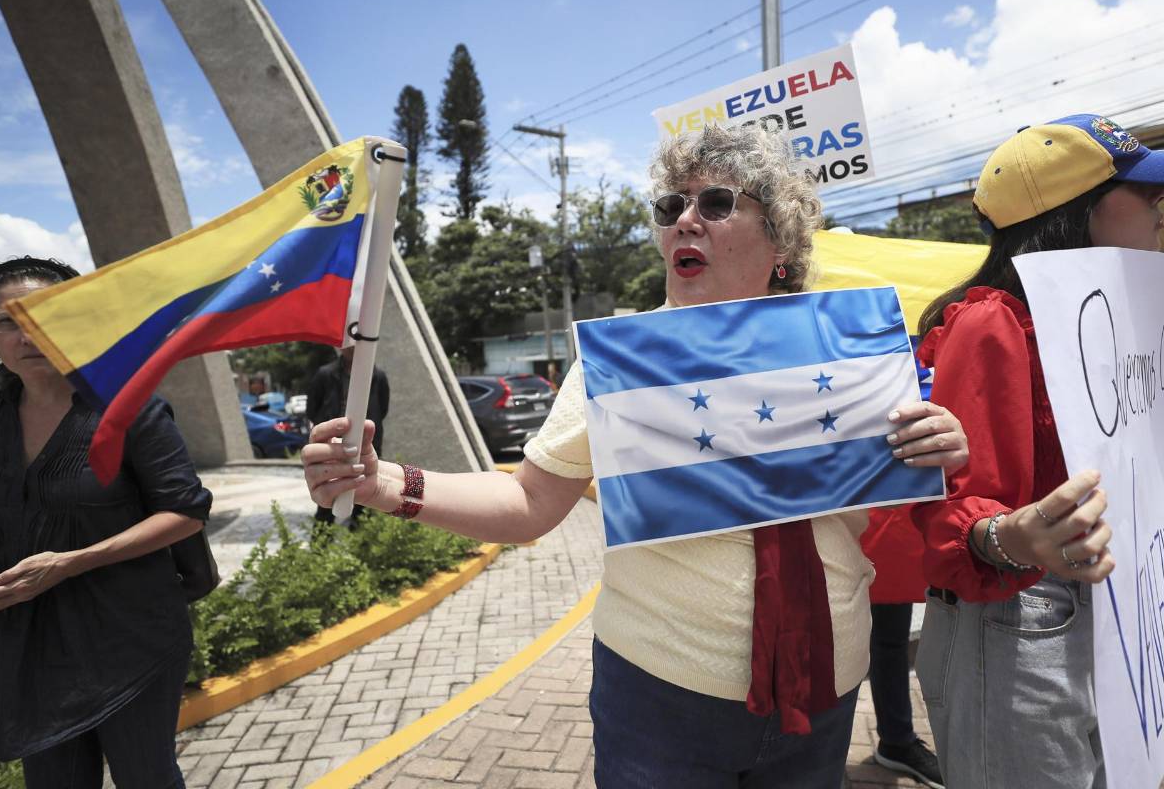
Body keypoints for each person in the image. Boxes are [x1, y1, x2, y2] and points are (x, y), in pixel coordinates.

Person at [303, 124, 970, 787]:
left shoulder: (852, 354)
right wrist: (387, 483)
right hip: (661, 698)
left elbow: (904, 495)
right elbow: (530, 504)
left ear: (781, 241)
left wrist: (943, 446)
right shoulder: (622, 363)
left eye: (715, 203)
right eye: (669, 208)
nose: (685, 221)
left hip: (827, 686)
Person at [911, 113, 1164, 788]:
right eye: (1144, 193)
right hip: (1020, 622)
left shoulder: (1128, 318)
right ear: (1075, 212)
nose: (1160, 208)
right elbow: (951, 515)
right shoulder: (992, 321)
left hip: (1110, 609)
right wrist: (1011, 537)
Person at [0, 256, 212, 788]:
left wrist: (71, 562)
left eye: (46, 312)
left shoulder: (129, 406)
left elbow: (185, 511)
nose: (28, 333)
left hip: (130, 632)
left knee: (145, 776)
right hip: (31, 638)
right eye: (9, 321)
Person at [861, 507, 943, 789]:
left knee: (889, 637)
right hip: (831, 509)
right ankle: (811, 751)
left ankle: (896, 740)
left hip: (890, 509)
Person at [306, 346, 389, 522]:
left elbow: (382, 408)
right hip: (333, 445)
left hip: (365, 445)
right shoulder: (326, 374)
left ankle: (360, 543)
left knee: (364, 503)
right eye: (349, 345)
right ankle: (321, 544)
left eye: (358, 344)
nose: (353, 348)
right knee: (327, 500)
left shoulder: (377, 376)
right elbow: (312, 408)